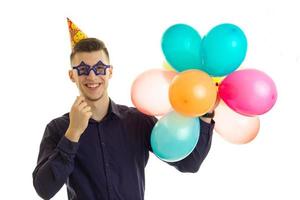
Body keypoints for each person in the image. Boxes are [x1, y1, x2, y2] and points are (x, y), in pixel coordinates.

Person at [32, 20, 215, 200]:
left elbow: (189, 163)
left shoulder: (138, 121)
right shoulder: (58, 129)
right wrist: (73, 133)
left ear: (110, 72)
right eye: (82, 69)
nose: (92, 75)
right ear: (72, 75)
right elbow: (44, 189)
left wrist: (206, 112)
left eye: (100, 68)